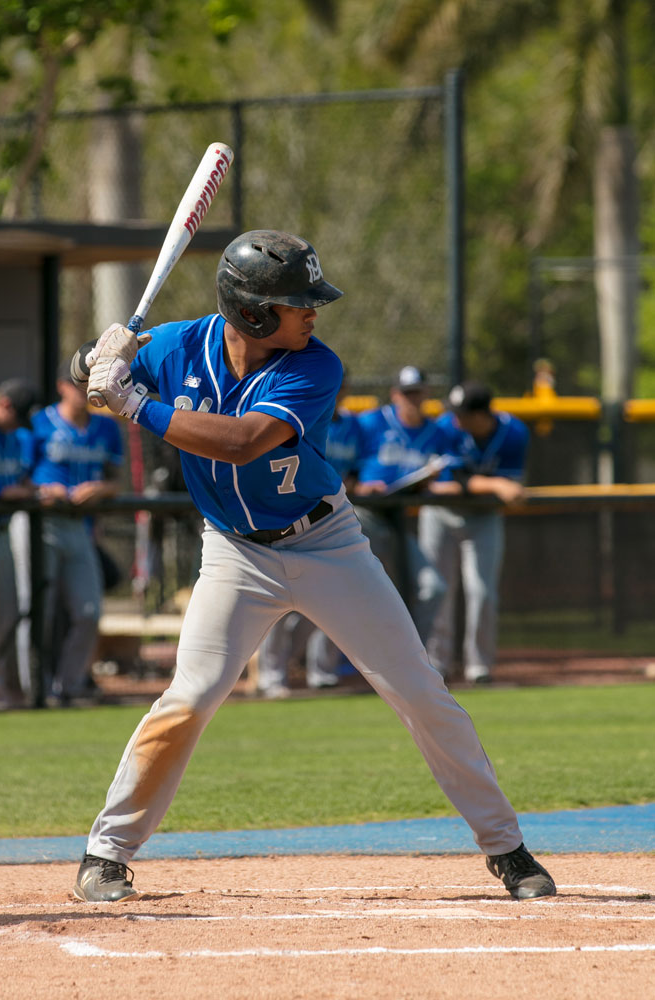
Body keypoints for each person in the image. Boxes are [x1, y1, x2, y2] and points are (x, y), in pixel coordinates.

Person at [73, 229, 555, 904]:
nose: (312, 313)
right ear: (252, 311)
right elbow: (90, 373)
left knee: (418, 690)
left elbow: (242, 443)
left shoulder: (314, 366)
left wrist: (131, 402)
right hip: (235, 551)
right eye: (299, 303)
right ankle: (105, 853)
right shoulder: (176, 344)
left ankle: (505, 847)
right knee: (191, 695)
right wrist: (97, 358)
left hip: (325, 544)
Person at [419, 381, 529, 684]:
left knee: (482, 592)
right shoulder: (446, 427)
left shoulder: (514, 432)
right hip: (440, 514)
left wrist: (492, 487)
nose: (455, 419)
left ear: (482, 414)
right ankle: (435, 664)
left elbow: (510, 487)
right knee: (438, 590)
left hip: (483, 518)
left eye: (463, 413)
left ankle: (479, 667)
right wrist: (494, 484)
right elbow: (451, 482)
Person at [256, 376, 360, 698]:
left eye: (339, 387)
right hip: (285, 517)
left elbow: (358, 470)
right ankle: (271, 676)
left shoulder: (352, 426)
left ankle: (318, 670)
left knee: (328, 602)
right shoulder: (292, 414)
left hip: (330, 520)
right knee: (278, 605)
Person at [30, 359, 124, 705]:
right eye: (77, 384)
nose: (83, 391)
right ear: (61, 386)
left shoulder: (106, 427)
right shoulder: (39, 423)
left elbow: (115, 481)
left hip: (84, 528)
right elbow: (17, 476)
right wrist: (42, 489)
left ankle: (68, 686)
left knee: (87, 612)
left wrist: (100, 488)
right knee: (42, 610)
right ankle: (33, 689)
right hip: (42, 525)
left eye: (89, 383)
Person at [352, 365, 446, 644]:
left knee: (433, 588)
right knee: (345, 592)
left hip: (398, 522)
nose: (412, 398)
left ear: (427, 393)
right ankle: (321, 671)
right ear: (395, 394)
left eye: (417, 392)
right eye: (407, 393)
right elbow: (339, 464)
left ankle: (416, 660)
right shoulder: (368, 422)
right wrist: (356, 486)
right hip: (361, 516)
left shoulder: (436, 432)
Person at [0, 378, 39, 709]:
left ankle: (4, 692)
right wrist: (0, 493)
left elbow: (23, 477)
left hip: (2, 534)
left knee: (6, 620)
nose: (17, 427)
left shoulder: (14, 438)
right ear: (5, 404)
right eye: (15, 417)